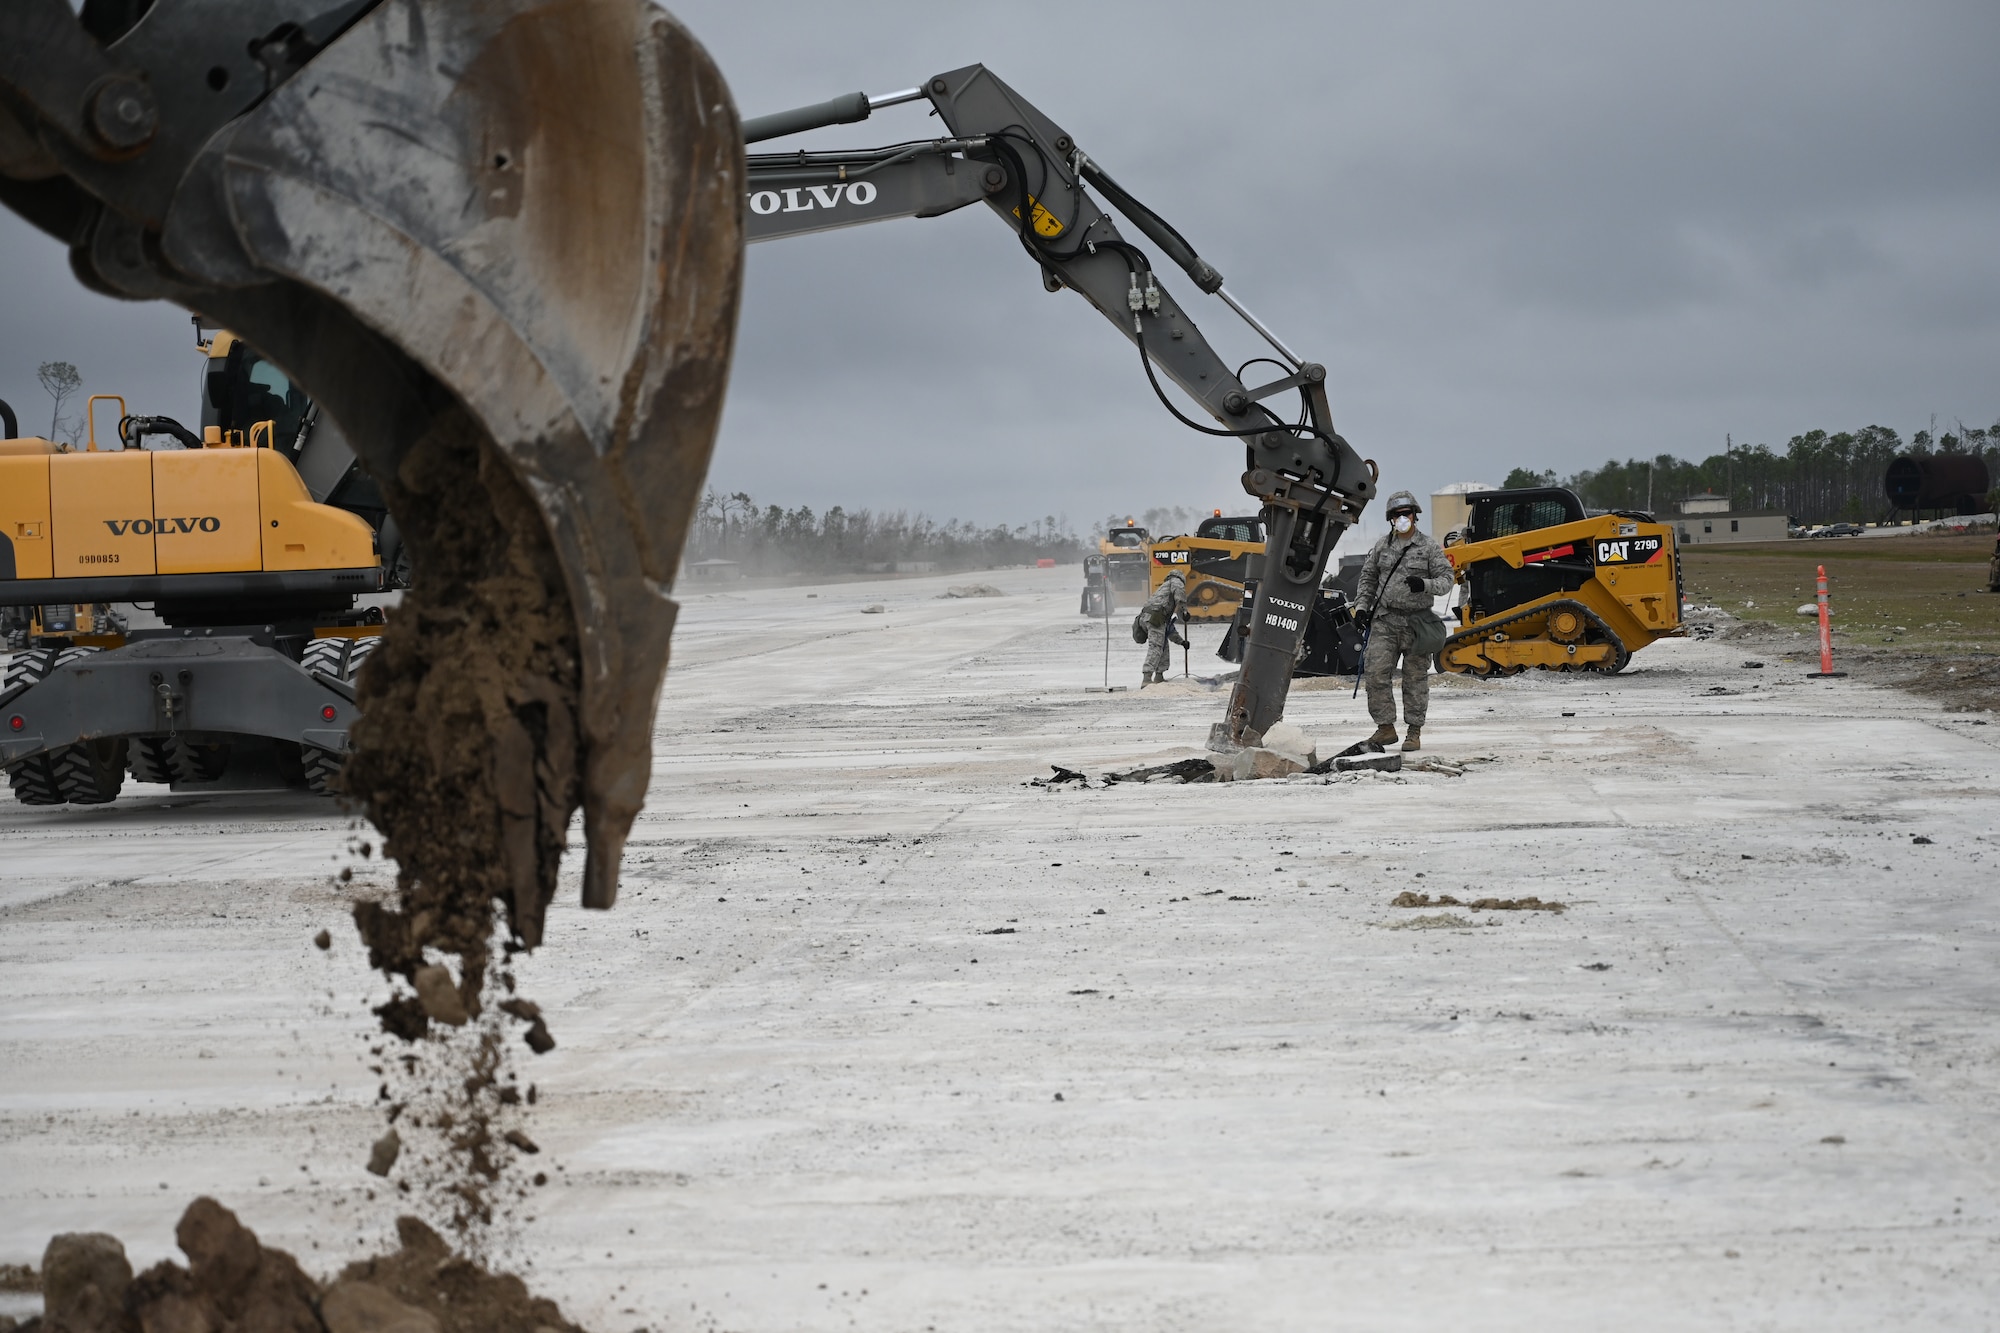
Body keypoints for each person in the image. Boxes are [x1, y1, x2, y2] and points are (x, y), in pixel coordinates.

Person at [1353, 491, 1453, 750]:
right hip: (1385, 621)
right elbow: (1368, 579)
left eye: (1406, 514)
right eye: (1397, 515)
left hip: (1416, 624)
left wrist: (1424, 584)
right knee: (1375, 674)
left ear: (1414, 515)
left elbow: (1447, 580)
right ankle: (1385, 728)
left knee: (1415, 679)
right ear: (1391, 519)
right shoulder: (1381, 547)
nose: (1402, 519)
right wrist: (1361, 609)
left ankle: (1414, 731)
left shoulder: (1429, 548)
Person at [1139, 572, 1188, 685]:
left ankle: (1159, 676)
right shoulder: (1176, 581)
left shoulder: (1163, 591)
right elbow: (1180, 594)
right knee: (1156, 646)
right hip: (1155, 617)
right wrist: (1184, 610)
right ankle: (1146, 678)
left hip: (1147, 618)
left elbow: (1169, 629)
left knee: (1163, 643)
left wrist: (1182, 642)